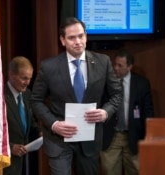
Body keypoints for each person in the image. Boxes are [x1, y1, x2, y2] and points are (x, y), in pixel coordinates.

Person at [30, 17, 122, 175]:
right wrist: (54, 124)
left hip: (90, 138)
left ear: (86, 36)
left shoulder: (103, 62)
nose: (78, 41)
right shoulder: (49, 66)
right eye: (72, 38)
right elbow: (36, 100)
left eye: (81, 36)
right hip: (58, 139)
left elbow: (117, 94)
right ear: (62, 40)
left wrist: (105, 112)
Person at [100, 49, 154, 175]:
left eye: (120, 65)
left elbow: (148, 111)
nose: (115, 68)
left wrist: (148, 135)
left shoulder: (141, 83)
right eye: (115, 64)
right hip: (111, 136)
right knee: (109, 171)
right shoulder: (106, 82)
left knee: (136, 171)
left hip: (134, 135)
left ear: (129, 66)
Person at [3, 56, 41, 175]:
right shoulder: (0, 96)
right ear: (11, 75)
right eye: (24, 78)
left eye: (29, 78)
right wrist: (10, 147)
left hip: (25, 161)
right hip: (6, 163)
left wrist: (39, 132)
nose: (27, 83)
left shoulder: (27, 94)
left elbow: (31, 121)